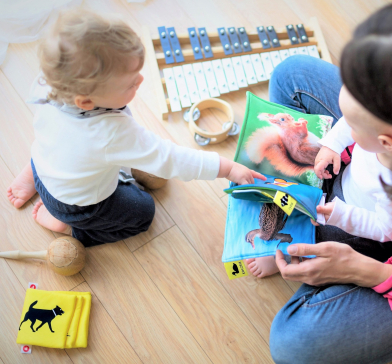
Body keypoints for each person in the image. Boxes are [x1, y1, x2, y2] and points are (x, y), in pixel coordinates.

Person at [261, 2, 392, 364]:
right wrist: (333, 143)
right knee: (292, 73)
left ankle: (287, 250)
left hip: (376, 228)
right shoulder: (391, 137)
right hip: (374, 165)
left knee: (295, 344)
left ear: (390, 143)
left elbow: (383, 229)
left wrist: (364, 268)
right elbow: (347, 124)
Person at [6, 10, 264, 247]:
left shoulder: (46, 85)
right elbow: (170, 159)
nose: (141, 80)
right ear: (86, 101)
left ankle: (32, 174)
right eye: (131, 83)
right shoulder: (110, 134)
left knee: (57, 143)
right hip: (76, 207)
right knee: (143, 212)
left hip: (46, 166)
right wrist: (228, 168)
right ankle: (68, 228)